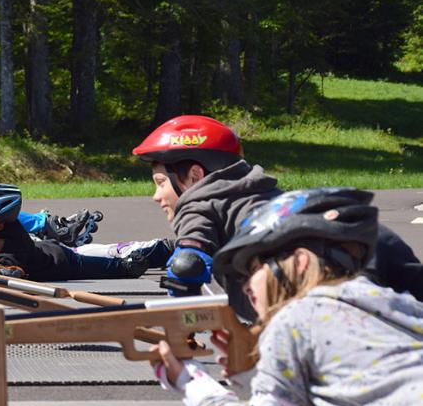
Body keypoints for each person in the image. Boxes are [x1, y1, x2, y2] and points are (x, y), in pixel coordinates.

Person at [152, 187, 423, 406]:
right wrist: (250, 375)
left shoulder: (295, 318)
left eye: (254, 269)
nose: (245, 286)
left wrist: (188, 379)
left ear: (301, 262)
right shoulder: (389, 301)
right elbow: (331, 402)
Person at [131, 114, 423, 318]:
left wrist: (182, 324)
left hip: (321, 263)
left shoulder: (197, 202)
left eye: (160, 183)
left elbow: (188, 264)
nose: (157, 197)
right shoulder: (258, 191)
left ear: (195, 175)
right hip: (368, 236)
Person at [0, 183, 170, 280]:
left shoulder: (14, 241)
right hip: (47, 248)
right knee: (102, 252)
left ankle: (154, 255)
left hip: (62, 263)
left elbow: (8, 274)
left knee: (117, 267)